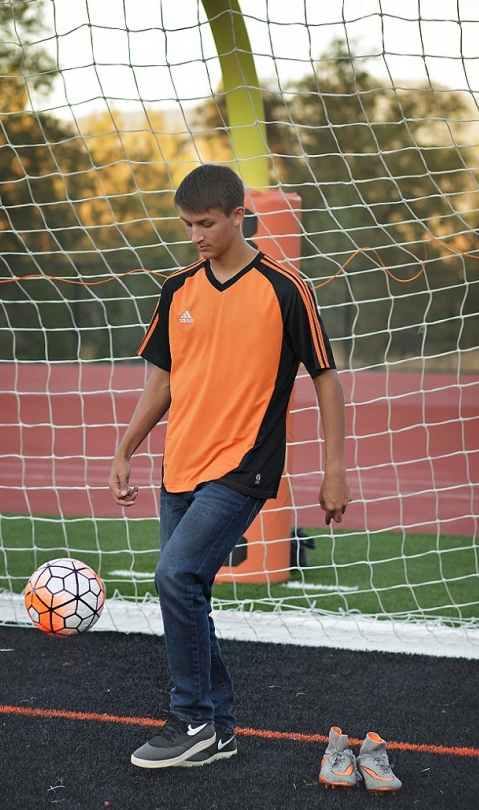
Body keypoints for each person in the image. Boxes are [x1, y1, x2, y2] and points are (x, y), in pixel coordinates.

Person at [108, 163, 352, 770]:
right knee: (189, 588)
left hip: (244, 466)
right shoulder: (177, 290)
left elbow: (325, 378)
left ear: (239, 215)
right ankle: (218, 731)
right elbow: (163, 381)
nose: (195, 235)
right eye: (187, 224)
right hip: (179, 466)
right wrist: (126, 448)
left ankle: (191, 719)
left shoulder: (285, 286)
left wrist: (334, 470)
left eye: (207, 223)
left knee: (175, 577)